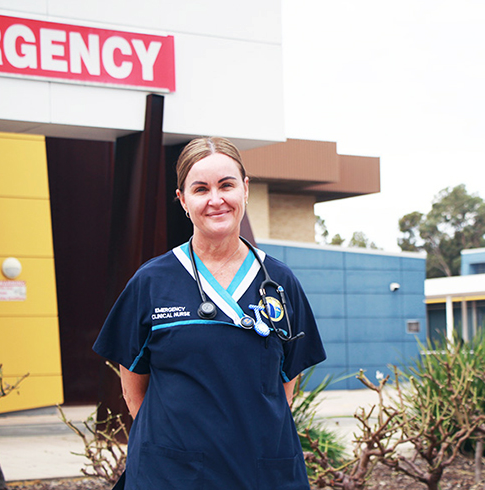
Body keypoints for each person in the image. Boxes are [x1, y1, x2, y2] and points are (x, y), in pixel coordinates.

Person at [93, 136, 326, 489]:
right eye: (200, 189)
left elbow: (284, 386)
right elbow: (132, 390)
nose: (215, 199)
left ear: (245, 190)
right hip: (172, 475)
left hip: (261, 471)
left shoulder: (279, 282)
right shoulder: (151, 282)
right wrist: (175, 443)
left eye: (226, 185)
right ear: (183, 200)